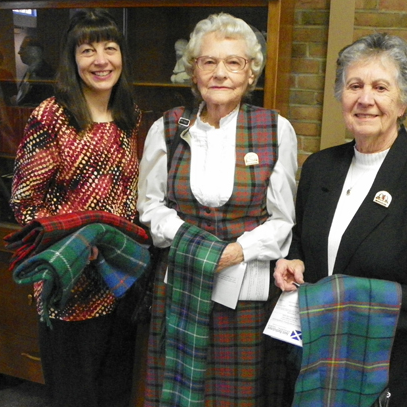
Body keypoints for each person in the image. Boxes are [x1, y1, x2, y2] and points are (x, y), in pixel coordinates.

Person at [273, 32, 407, 407]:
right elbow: (304, 241)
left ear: (402, 102)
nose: (365, 99)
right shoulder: (319, 168)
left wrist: (354, 299)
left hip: (384, 376)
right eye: (354, 86)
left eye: (380, 87)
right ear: (341, 96)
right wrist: (294, 260)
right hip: (312, 363)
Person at [137, 12, 298, 407]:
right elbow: (150, 206)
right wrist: (200, 249)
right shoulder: (167, 128)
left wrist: (236, 252)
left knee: (235, 395)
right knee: (178, 390)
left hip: (245, 294)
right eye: (209, 61)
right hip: (178, 284)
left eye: (233, 62)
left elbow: (282, 220)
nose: (220, 73)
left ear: (250, 74)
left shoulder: (276, 130)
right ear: (194, 72)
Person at [10, 9, 141, 407]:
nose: (101, 60)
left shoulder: (129, 114)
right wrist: (80, 241)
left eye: (110, 48)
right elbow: (24, 201)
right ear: (73, 59)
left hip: (120, 277)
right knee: (74, 392)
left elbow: (128, 193)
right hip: (71, 282)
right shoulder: (51, 115)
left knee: (114, 387)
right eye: (88, 50)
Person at [13, 35, 55, 106]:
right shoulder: (30, 72)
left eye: (22, 49)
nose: (19, 52)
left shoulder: (45, 73)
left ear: (33, 52)